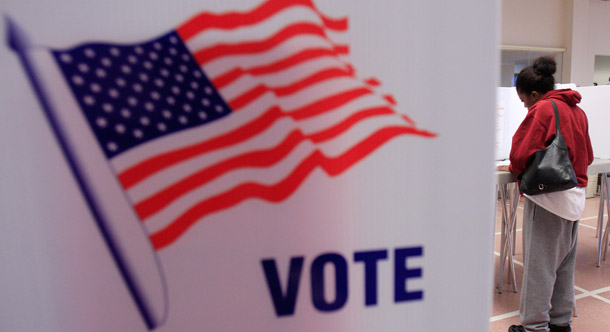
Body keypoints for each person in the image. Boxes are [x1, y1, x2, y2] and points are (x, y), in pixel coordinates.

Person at [498, 56, 594, 332]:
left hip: (549, 199)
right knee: (563, 266)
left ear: (535, 93)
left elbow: (520, 152)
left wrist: (514, 167)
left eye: (524, 100)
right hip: (574, 197)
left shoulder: (543, 110)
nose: (526, 106)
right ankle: (561, 323)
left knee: (539, 267)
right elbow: (586, 155)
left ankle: (534, 327)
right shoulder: (577, 110)